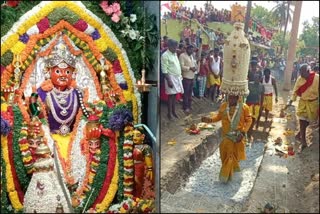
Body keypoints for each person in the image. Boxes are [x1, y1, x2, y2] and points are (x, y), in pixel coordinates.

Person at [201, 95, 252, 183]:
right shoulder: (224, 106)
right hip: (226, 136)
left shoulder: (244, 107)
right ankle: (229, 174)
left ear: (238, 98)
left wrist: (243, 132)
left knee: (233, 156)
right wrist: (209, 120)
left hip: (238, 137)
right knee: (225, 155)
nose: (230, 100)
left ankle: (226, 176)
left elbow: (249, 120)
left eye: (233, 98)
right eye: (229, 97)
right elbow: (218, 117)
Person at [285, 64, 319, 152]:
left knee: (310, 122)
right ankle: (303, 141)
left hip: (313, 104)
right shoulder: (300, 79)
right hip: (303, 103)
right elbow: (295, 90)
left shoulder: (317, 78)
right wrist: (291, 101)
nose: (301, 75)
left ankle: (299, 134)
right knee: (302, 120)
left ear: (308, 72)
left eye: (302, 73)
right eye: (300, 72)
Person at [161, 39, 184, 119]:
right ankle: (169, 114)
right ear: (169, 46)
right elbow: (164, 70)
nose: (176, 49)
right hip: (170, 78)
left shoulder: (174, 54)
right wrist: (169, 81)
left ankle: (174, 112)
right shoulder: (165, 55)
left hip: (177, 77)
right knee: (170, 97)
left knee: (175, 95)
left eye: (176, 47)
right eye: (174, 47)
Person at [246, 73, 264, 140]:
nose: (256, 79)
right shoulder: (249, 84)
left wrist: (261, 106)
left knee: (253, 120)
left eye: (257, 78)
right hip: (248, 104)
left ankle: (249, 134)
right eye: (255, 78)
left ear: (260, 79)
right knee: (248, 119)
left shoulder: (261, 86)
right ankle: (247, 133)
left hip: (256, 105)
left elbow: (262, 97)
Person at [179, 45, 197, 113]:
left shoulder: (191, 56)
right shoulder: (182, 56)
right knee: (186, 93)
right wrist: (190, 68)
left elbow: (193, 64)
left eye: (192, 50)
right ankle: (185, 107)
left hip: (192, 77)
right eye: (190, 50)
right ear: (187, 49)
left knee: (190, 93)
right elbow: (181, 66)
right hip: (186, 77)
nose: (192, 51)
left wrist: (194, 68)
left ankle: (189, 106)